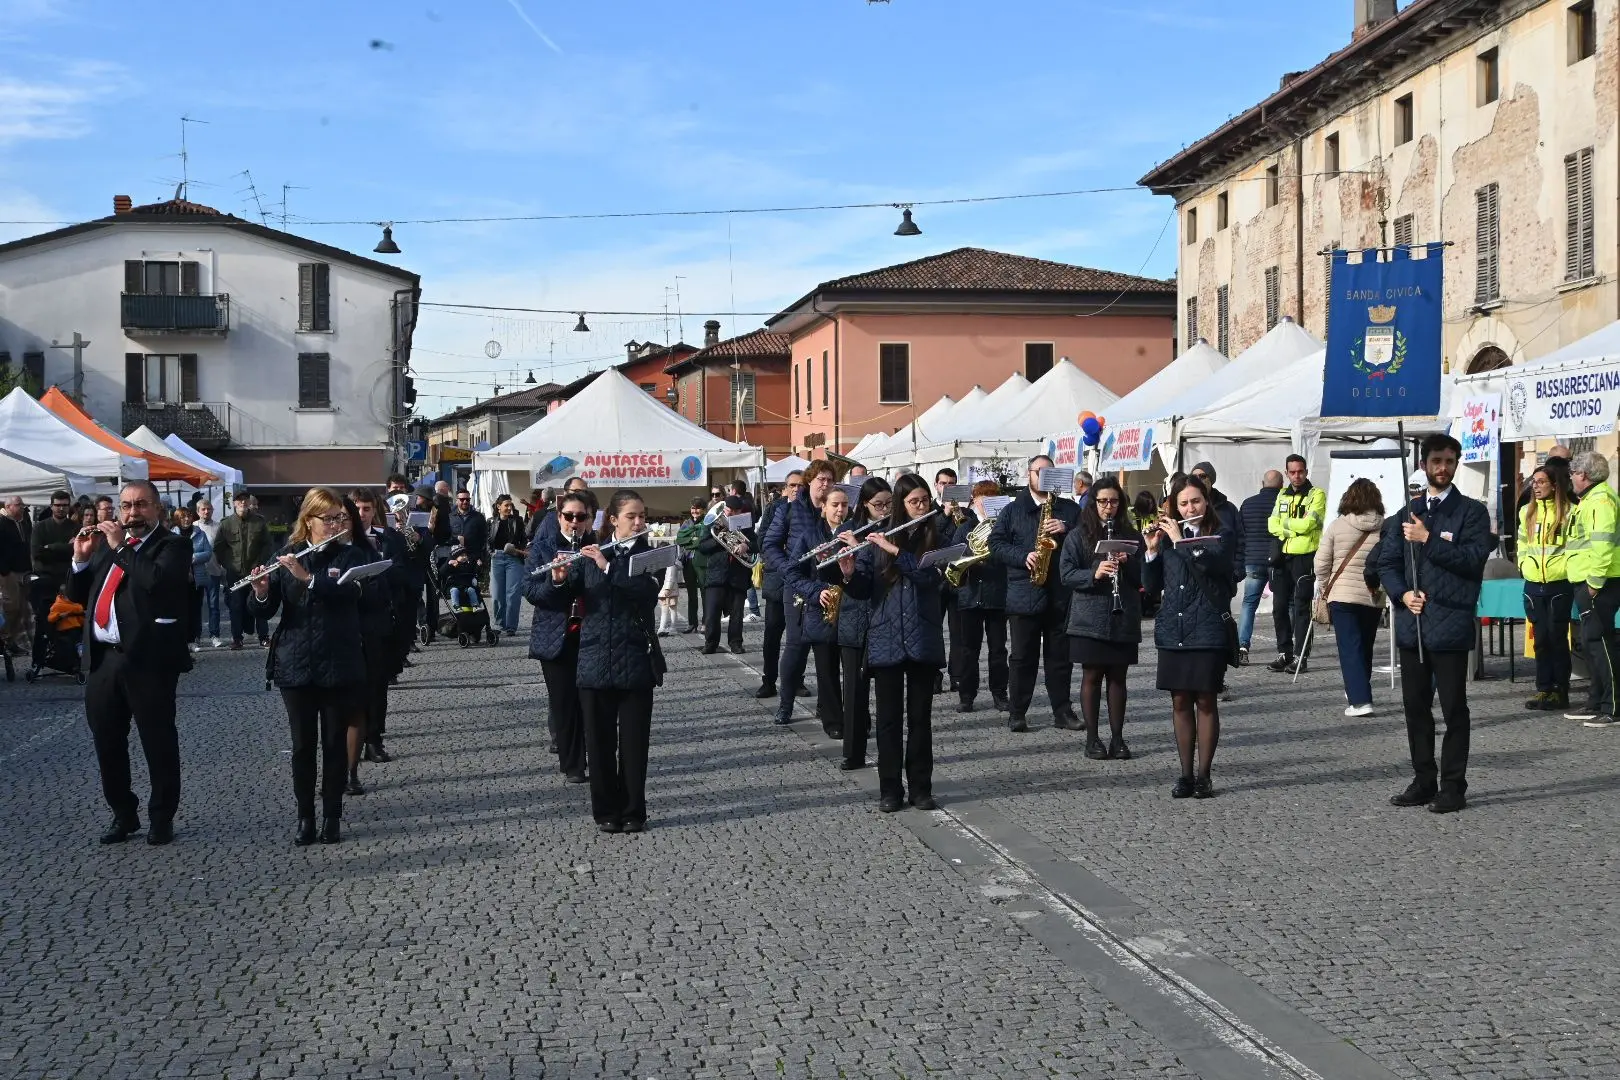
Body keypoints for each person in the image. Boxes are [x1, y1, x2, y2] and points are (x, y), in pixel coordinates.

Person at [69, 480, 194, 845]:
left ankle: (161, 817)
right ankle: (123, 814)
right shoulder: (110, 548)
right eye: (126, 506)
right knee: (107, 741)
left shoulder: (172, 545)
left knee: (158, 741)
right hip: (103, 661)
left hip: (148, 661)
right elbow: (79, 596)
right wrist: (80, 559)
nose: (132, 513)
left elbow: (152, 581)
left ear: (157, 509)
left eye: (140, 505)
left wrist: (121, 546)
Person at [1375, 433, 1491, 814]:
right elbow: (1385, 564)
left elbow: (1472, 560)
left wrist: (1428, 540)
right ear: (1423, 465)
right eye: (1436, 461)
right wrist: (1402, 595)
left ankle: (1453, 785)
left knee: (1454, 707)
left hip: (1451, 623)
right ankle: (1424, 778)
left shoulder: (1471, 512)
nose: (1443, 468)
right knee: (1415, 707)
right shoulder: (1406, 512)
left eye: (1449, 461)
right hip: (1414, 626)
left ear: (1456, 465)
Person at [251, 487, 372, 845]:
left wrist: (308, 578)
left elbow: (350, 594)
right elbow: (266, 610)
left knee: (334, 743)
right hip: (296, 661)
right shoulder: (286, 554)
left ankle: (331, 816)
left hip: (338, 660)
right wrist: (260, 590)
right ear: (309, 520)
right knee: (302, 745)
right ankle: (305, 816)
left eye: (340, 517)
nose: (336, 523)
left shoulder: (353, 555)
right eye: (329, 518)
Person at [551, 489, 661, 833]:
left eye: (642, 515)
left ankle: (633, 811)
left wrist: (608, 566)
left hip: (634, 658)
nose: (639, 522)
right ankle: (606, 812)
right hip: (594, 658)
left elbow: (644, 592)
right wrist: (558, 581)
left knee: (634, 744)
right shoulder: (587, 555)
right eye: (632, 516)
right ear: (613, 520)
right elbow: (543, 595)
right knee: (598, 744)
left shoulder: (649, 555)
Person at [835, 473, 943, 812]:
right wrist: (850, 572)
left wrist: (895, 550)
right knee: (888, 721)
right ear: (901, 504)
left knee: (920, 719)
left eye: (924, 500)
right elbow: (863, 591)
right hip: (886, 636)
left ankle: (921, 789)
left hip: (923, 635)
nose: (921, 506)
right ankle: (890, 790)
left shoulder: (936, 534)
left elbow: (929, 577)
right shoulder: (874, 537)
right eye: (914, 502)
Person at [1142, 475, 1235, 798]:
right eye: (1183, 503)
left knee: (1206, 699)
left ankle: (1204, 775)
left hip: (1208, 627)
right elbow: (1151, 588)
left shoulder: (1221, 533)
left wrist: (1182, 539)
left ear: (1206, 501)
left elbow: (1218, 568)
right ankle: (1184, 774)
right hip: (1173, 628)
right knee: (1180, 700)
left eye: (1195, 501)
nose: (1190, 507)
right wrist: (1152, 552)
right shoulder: (1166, 538)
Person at [988, 455, 1081, 733]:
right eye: (1038, 471)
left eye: (1049, 472)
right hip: (1023, 592)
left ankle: (1062, 712)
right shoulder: (1013, 509)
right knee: (1021, 658)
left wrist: (1068, 529)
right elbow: (995, 543)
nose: (1044, 476)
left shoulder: (1070, 509)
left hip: (1060, 593)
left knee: (1060, 659)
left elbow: (1087, 537)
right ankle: (1017, 712)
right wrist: (1023, 556)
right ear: (1028, 474)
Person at [1059, 477, 1142, 759]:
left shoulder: (1132, 536)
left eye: (1115, 501)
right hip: (1088, 618)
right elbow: (1066, 574)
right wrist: (1093, 574)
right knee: (1092, 676)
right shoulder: (1078, 535)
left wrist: (1130, 564)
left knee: (1118, 677)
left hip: (1122, 617)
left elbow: (1144, 580)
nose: (1109, 507)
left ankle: (1118, 738)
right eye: (1103, 501)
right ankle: (1092, 739)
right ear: (1094, 503)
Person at [523, 490, 594, 783]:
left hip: (593, 635)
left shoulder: (598, 547)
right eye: (569, 516)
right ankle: (573, 764)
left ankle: (595, 757)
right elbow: (531, 591)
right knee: (564, 702)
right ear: (559, 517)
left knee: (591, 703)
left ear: (590, 519)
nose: (574, 522)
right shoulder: (542, 548)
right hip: (556, 635)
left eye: (581, 517)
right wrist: (555, 581)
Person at [763, 461, 837, 724]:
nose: (825, 484)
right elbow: (769, 545)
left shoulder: (837, 510)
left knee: (826, 649)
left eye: (829, 479)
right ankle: (785, 705)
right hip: (797, 585)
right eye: (820, 479)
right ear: (810, 481)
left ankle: (824, 706)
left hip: (828, 585)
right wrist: (788, 568)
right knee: (796, 645)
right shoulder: (790, 509)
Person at [1314, 479, 1385, 717]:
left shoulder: (1337, 525)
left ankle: (1360, 700)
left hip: (1342, 594)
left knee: (1349, 647)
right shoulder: (1383, 527)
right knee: (1365, 647)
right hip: (1372, 595)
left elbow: (1321, 563)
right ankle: (1356, 688)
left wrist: (1325, 585)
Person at [784, 483, 848, 738]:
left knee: (855, 671)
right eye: (835, 505)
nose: (840, 510)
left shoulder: (855, 532)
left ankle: (857, 719)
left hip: (853, 607)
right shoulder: (810, 535)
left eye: (844, 505)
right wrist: (815, 591)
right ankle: (833, 721)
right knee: (827, 670)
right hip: (823, 608)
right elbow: (792, 571)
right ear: (823, 508)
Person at [349, 489, 406, 769]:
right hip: (347, 624)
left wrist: (377, 569)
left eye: (366, 509)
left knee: (377, 685)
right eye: (357, 508)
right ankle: (349, 742)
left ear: (374, 511)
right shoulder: (340, 543)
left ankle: (374, 739)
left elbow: (401, 574)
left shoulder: (387, 538)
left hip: (378, 621)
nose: (361, 514)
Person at [837, 477, 890, 769]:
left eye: (888, 504)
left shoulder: (897, 530)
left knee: (885, 693)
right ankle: (853, 752)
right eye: (878, 505)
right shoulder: (848, 531)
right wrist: (852, 549)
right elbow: (848, 577)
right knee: (855, 692)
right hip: (854, 619)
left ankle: (887, 753)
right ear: (864, 505)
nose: (883, 510)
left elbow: (888, 566)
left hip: (884, 620)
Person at [1565, 451, 1620, 727]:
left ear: (1583, 476)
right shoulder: (1592, 500)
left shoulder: (1600, 501)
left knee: (1601, 644)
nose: (1571, 479)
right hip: (1591, 580)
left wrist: (1594, 584)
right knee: (1592, 643)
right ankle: (1596, 701)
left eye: (1573, 473)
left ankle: (1614, 706)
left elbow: (1602, 545)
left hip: (1600, 581)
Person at [1517, 465, 1574, 712]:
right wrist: (1521, 564)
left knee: (1556, 638)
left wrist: (1568, 569)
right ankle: (1544, 689)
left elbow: (1575, 546)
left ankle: (1560, 690)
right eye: (1534, 482)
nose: (1536, 486)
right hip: (1533, 584)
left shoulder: (1569, 512)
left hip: (1558, 583)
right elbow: (1521, 541)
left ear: (1554, 485)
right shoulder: (1525, 512)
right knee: (1540, 640)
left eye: (1541, 482)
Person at [951, 481, 1009, 714]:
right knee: (968, 649)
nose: (985, 502)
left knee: (998, 649)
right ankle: (967, 696)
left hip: (996, 593)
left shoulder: (1003, 525)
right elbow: (954, 552)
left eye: (991, 498)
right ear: (974, 500)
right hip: (970, 593)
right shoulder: (966, 525)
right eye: (981, 498)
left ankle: (1000, 693)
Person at [1267, 454, 1326, 674]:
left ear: (1306, 471)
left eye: (1300, 471)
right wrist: (1291, 527)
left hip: (1305, 557)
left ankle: (1301, 656)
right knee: (1278, 607)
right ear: (1286, 473)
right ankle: (1285, 653)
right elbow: (1271, 523)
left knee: (1301, 607)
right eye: (1292, 472)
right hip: (1282, 557)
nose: (1296, 476)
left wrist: (1286, 526)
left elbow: (1311, 523)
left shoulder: (1316, 494)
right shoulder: (1282, 493)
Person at [754, 470, 804, 696]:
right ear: (785, 487)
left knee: (800, 636)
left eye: (801, 485)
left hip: (801, 581)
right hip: (777, 579)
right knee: (772, 635)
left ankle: (797, 679)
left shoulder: (811, 509)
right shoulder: (774, 508)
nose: (797, 489)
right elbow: (762, 541)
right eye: (792, 485)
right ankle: (769, 680)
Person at [1236, 471, 1283, 664]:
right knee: (1284, 605)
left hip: (1253, 560)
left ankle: (1242, 647)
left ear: (1262, 483)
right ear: (1281, 486)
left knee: (1249, 604)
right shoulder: (1283, 504)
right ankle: (1286, 650)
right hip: (1279, 562)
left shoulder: (1248, 504)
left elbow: (1241, 534)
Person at [698, 496, 755, 655]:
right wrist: (719, 538)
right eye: (729, 511)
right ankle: (711, 643)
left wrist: (746, 545)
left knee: (737, 613)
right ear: (725, 509)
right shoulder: (713, 524)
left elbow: (758, 544)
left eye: (735, 511)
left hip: (738, 575)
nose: (731, 514)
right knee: (712, 612)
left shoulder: (745, 524)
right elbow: (702, 546)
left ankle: (736, 643)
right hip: (717, 574)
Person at [29, 490, 79, 670]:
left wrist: (52, 548)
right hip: (46, 581)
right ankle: (40, 659)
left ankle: (68, 659)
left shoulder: (74, 527)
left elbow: (77, 552)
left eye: (65, 505)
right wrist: (65, 548)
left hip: (68, 580)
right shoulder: (40, 527)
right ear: (51, 506)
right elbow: (37, 554)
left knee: (71, 620)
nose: (61, 508)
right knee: (44, 620)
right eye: (58, 505)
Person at [216, 491, 271, 650]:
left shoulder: (259, 522)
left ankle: (264, 637)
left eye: (245, 501)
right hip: (235, 572)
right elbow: (218, 547)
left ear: (248, 502)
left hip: (256, 572)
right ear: (234, 503)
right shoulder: (226, 524)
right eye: (239, 501)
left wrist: (261, 564)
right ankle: (237, 638)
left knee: (260, 603)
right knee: (236, 606)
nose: (242, 503)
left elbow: (267, 545)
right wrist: (227, 564)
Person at [935, 467, 968, 696]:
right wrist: (945, 514)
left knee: (958, 631)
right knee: (934, 629)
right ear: (936, 485)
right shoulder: (930, 509)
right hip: (936, 578)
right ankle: (934, 676)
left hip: (957, 577)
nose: (947, 487)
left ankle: (957, 676)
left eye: (952, 484)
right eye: (943, 483)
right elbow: (931, 536)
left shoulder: (964, 510)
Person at [170, 506, 214, 654]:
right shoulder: (172, 534)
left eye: (188, 516)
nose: (187, 519)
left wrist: (193, 557)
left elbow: (208, 553)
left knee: (195, 610)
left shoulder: (199, 533)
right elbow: (170, 555)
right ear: (177, 519)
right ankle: (181, 640)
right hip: (179, 579)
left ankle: (194, 639)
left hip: (197, 578)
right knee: (181, 610)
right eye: (183, 517)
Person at [488, 494, 528, 635]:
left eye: (511, 505)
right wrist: (490, 552)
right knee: (497, 594)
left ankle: (511, 626)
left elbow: (524, 539)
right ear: (499, 507)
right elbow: (487, 540)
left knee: (513, 594)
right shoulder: (491, 521)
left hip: (514, 558)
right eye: (506, 505)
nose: (509, 508)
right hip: (497, 557)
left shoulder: (518, 520)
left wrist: (519, 551)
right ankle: (499, 624)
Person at [0, 494, 31, 656]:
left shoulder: (25, 521)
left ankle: (11, 641)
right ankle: (4, 639)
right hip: (8, 572)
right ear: (9, 507)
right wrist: (4, 570)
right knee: (11, 606)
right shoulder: (2, 523)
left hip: (24, 569)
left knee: (21, 609)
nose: (22, 507)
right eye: (19, 504)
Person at [193, 499, 224, 648]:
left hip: (213, 570)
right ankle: (196, 636)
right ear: (198, 511)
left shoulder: (218, 527)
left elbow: (223, 548)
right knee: (196, 606)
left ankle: (214, 635)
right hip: (196, 573)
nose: (206, 512)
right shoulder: (192, 527)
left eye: (209, 509)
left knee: (214, 605)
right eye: (203, 509)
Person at [675, 499, 707, 634]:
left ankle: (706, 622)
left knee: (705, 593)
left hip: (702, 562)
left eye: (698, 508)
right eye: (693, 508)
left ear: (704, 509)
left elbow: (703, 540)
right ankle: (692, 623)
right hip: (688, 563)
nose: (695, 511)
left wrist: (692, 540)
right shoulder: (687, 523)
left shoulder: (707, 522)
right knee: (691, 594)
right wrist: (693, 540)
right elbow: (680, 539)